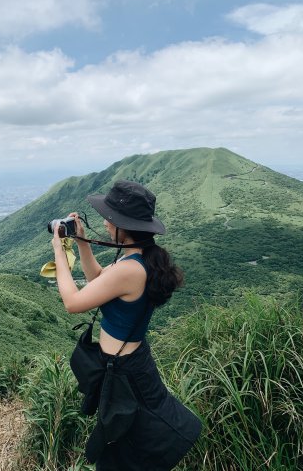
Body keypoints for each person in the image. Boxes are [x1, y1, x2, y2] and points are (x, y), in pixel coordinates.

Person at [51, 180, 201, 470]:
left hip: (126, 370)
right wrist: (81, 242)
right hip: (128, 364)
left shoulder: (130, 270)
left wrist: (59, 250)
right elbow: (96, 279)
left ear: (125, 227)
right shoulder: (138, 258)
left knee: (132, 437)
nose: (106, 224)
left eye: (110, 219)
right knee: (128, 432)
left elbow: (73, 302)